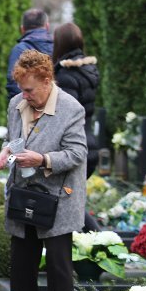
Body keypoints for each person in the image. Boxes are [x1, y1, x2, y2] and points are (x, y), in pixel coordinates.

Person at [0, 50, 87, 291]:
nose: (25, 95)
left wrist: (42, 159)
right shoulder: (16, 104)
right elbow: (15, 139)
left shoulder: (71, 109)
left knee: (59, 263)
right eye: (21, 88)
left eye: (30, 89)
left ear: (47, 80)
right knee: (22, 259)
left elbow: (77, 153)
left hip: (59, 196)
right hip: (23, 192)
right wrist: (6, 152)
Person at [52, 22, 99, 179]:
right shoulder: (88, 70)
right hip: (89, 140)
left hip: (72, 147)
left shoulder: (66, 75)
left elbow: (65, 116)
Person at [6, 8, 53, 98]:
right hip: (58, 107)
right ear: (47, 26)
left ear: (22, 29)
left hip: (28, 107)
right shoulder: (59, 45)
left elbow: (13, 83)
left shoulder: (19, 49)